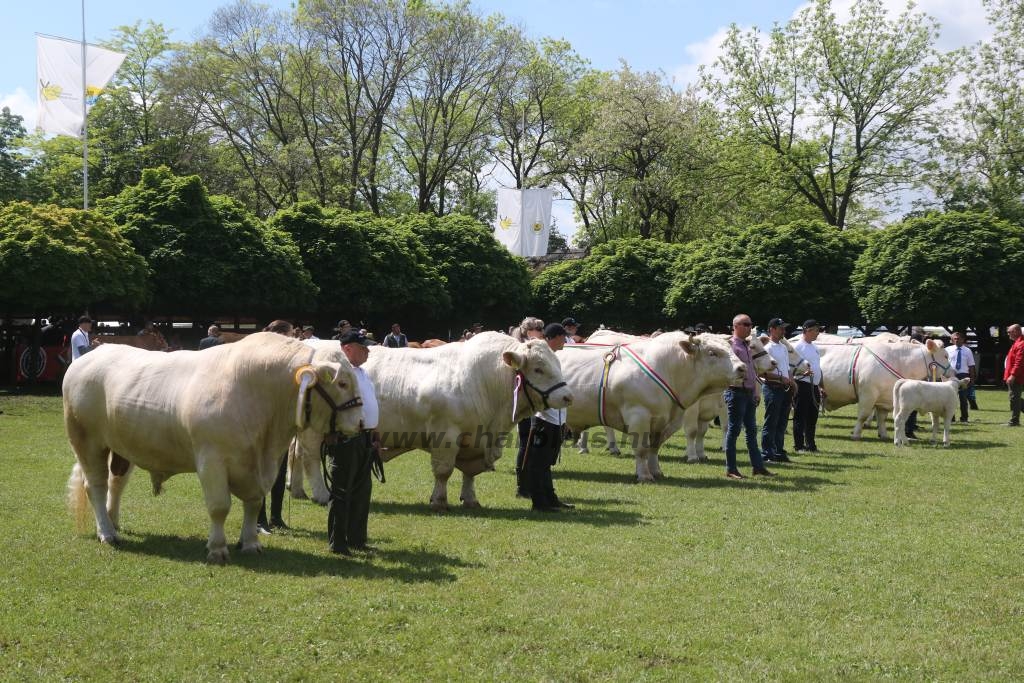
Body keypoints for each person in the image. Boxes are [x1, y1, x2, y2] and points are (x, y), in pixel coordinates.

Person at [328, 330, 381, 554]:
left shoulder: (361, 372)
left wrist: (374, 429)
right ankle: (338, 542)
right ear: (348, 348)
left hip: (365, 437)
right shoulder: (338, 373)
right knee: (342, 491)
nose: (368, 351)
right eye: (363, 348)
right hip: (347, 437)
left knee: (361, 490)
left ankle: (357, 538)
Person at [523, 323, 574, 510]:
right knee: (539, 463)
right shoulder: (541, 358)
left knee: (546, 463)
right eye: (563, 337)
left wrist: (563, 421)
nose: (565, 341)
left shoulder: (552, 358)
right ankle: (539, 503)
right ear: (556, 337)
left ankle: (550, 499)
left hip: (556, 419)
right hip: (544, 419)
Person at [722, 314, 774, 480]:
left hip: (749, 393)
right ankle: (731, 469)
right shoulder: (730, 346)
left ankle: (758, 467)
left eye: (750, 324)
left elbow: (753, 371)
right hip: (736, 392)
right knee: (734, 431)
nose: (749, 327)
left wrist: (756, 391)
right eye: (746, 324)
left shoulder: (747, 346)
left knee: (751, 431)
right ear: (736, 326)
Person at [258, 320, 294, 533]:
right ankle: (259, 519)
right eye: (291, 335)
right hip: (264, 423)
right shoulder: (264, 359)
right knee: (264, 472)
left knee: (280, 471)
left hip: (282, 423)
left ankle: (276, 516)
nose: (294, 339)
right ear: (281, 335)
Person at [512, 317, 546, 497]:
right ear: (528, 331)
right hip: (525, 401)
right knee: (526, 443)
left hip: (534, 401)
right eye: (537, 328)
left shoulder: (537, 348)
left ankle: (529, 485)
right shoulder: (523, 349)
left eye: (541, 328)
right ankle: (522, 487)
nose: (541, 332)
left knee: (532, 444)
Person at [761, 318, 796, 464]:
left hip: (785, 388)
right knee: (771, 422)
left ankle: (778, 451)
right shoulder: (767, 348)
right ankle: (767, 453)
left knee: (781, 422)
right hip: (773, 387)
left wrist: (792, 382)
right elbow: (762, 372)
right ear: (772, 329)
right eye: (781, 328)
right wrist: (781, 378)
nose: (784, 331)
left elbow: (787, 368)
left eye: (783, 328)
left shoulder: (782, 347)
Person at [792, 319, 824, 454]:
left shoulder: (815, 347)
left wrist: (822, 386)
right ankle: (799, 446)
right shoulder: (798, 347)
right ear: (808, 330)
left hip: (814, 386)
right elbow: (792, 367)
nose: (818, 333)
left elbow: (818, 368)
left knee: (812, 416)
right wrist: (801, 373)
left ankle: (811, 444)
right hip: (802, 384)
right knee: (800, 416)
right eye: (816, 330)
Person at [947, 331, 976, 422]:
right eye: (954, 339)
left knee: (963, 398)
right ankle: (951, 418)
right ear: (951, 340)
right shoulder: (947, 349)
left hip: (963, 375)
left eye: (958, 339)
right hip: (951, 375)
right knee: (950, 398)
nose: (956, 340)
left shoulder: (968, 350)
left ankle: (964, 418)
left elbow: (971, 365)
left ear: (963, 340)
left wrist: (972, 378)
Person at [1004, 323, 1024, 426]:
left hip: (1016, 376)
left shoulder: (1021, 343)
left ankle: (1014, 421)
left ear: (1016, 331)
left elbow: (1019, 362)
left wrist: (1013, 375)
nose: (1008, 334)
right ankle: (1014, 420)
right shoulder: (1017, 342)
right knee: (1014, 397)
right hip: (1012, 375)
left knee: (1014, 398)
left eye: (1009, 332)